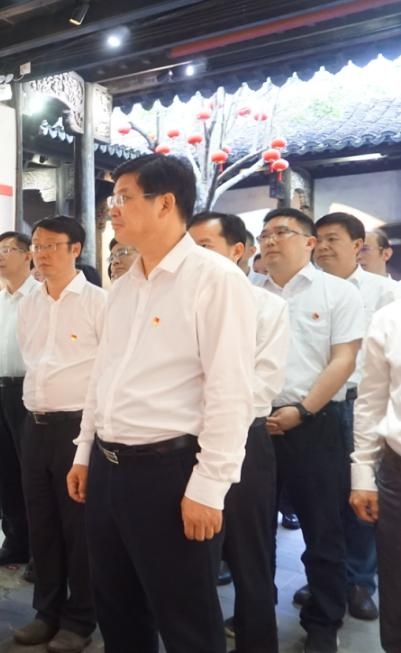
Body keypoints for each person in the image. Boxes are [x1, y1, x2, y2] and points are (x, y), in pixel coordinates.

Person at [66, 154, 255, 653]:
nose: (112, 209)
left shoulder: (215, 279)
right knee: (118, 609)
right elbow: (103, 376)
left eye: (124, 198)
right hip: (108, 469)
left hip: (170, 472)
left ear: (166, 203)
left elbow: (231, 390)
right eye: (113, 199)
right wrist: (84, 452)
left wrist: (210, 487)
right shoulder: (124, 285)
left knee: (186, 618)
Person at [258, 207, 365, 653]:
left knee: (323, 530)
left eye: (281, 231)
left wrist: (302, 410)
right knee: (255, 531)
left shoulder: (337, 292)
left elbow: (344, 359)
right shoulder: (248, 294)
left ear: (308, 242)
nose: (270, 240)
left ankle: (323, 621)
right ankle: (255, 613)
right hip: (257, 424)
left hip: (316, 423)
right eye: (264, 233)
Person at [188, 211, 289, 653]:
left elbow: (263, 383)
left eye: (204, 247)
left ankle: (257, 641)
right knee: (194, 557)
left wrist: (215, 412)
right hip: (186, 443)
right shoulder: (179, 302)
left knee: (250, 556)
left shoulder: (267, 306)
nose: (192, 256)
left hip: (245, 439)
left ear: (238, 251)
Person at [11, 216, 105, 653]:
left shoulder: (98, 303)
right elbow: (32, 358)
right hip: (35, 424)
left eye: (51, 245)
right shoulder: (29, 302)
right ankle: (46, 612)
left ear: (75, 249)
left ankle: (80, 618)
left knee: (78, 528)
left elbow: (106, 372)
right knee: (42, 524)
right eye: (37, 245)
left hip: (77, 428)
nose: (41, 253)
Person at [309, 211, 400, 620]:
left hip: (362, 402)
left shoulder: (385, 293)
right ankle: (326, 577)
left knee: (363, 495)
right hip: (318, 405)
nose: (323, 247)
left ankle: (360, 580)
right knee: (323, 498)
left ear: (357, 245)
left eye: (332, 239)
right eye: (318, 240)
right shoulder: (308, 290)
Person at [0, 231, 36, 569]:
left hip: (28, 392)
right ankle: (14, 542)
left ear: (28, 256)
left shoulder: (40, 297)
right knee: (4, 472)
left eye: (9, 250)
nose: (0, 256)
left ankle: (39, 551)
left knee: (32, 475)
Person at [351, 300, 401, 653]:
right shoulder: (390, 318)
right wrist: (363, 473)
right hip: (398, 473)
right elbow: (371, 401)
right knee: (397, 589)